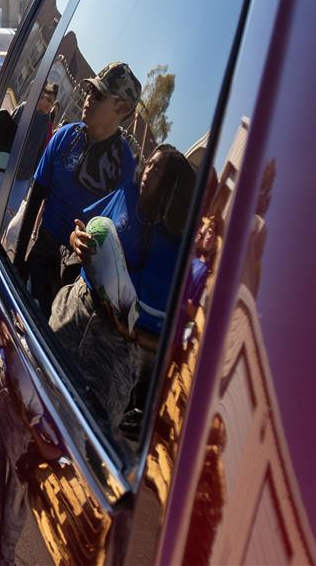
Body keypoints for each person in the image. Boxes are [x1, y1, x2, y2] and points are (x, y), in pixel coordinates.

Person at [54, 145, 196, 438]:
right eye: (150, 164)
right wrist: (76, 239)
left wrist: (131, 334)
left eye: (159, 171)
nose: (148, 173)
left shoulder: (180, 252)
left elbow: (174, 340)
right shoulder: (125, 195)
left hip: (117, 350)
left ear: (174, 187)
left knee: (87, 436)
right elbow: (83, 227)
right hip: (75, 309)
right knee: (41, 397)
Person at [14, 62, 141, 317]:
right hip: (43, 252)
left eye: (99, 95)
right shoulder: (65, 136)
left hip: (81, 273)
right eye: (89, 92)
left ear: (123, 108)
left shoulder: (124, 165)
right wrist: (18, 263)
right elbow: (36, 196)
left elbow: (120, 231)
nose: (88, 99)